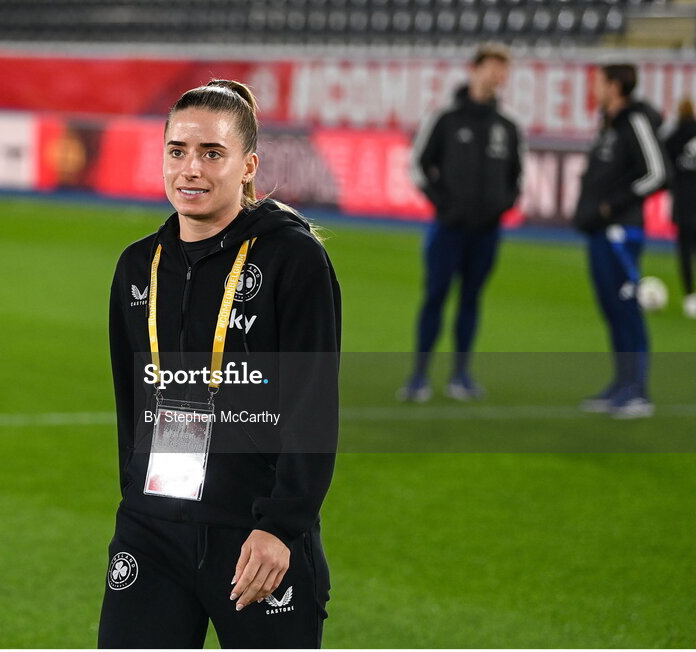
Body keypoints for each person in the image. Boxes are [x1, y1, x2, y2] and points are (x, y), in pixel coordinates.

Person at [100, 80, 341, 648]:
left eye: (212, 153)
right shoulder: (138, 266)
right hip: (152, 531)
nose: (191, 169)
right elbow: (131, 403)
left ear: (248, 165)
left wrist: (281, 526)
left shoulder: (293, 259)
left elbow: (312, 403)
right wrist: (138, 498)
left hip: (255, 536)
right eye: (178, 151)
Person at [400, 43, 523, 402]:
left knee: (471, 300)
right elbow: (419, 166)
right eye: (492, 67)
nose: (497, 75)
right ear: (474, 69)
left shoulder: (507, 125)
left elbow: (517, 177)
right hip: (448, 229)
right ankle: (419, 376)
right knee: (435, 298)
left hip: (486, 232)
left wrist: (502, 207)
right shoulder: (446, 118)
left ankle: (461, 375)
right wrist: (444, 204)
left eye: (503, 69)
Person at [573, 63, 668, 419]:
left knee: (627, 310)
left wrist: (616, 205)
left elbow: (657, 173)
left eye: (598, 82)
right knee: (611, 309)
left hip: (621, 232)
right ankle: (621, 383)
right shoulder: (608, 123)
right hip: (600, 230)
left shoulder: (634, 121)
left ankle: (638, 392)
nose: (593, 88)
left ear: (615, 86)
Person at [664, 98, 696, 319]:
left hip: (684, 201)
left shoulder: (676, 135)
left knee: (684, 251)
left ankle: (690, 296)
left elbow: (663, 156)